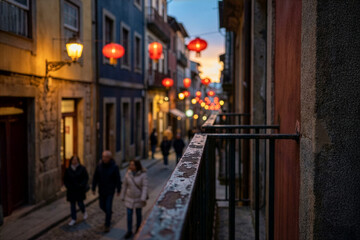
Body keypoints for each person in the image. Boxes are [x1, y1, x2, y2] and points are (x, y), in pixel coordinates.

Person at [92, 150, 122, 232]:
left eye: (106, 157)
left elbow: (118, 178)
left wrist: (119, 189)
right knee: (101, 206)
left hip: (110, 190)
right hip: (101, 190)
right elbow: (95, 177)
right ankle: (109, 213)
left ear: (110, 158)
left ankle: (107, 225)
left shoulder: (114, 166)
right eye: (103, 157)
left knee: (108, 207)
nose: (104, 158)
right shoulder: (99, 165)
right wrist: (93, 188)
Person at [121, 160, 148, 239]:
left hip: (138, 198)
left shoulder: (143, 175)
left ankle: (138, 229)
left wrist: (143, 197)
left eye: (133, 165)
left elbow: (144, 186)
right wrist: (123, 195)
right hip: (129, 197)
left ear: (137, 166)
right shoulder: (128, 174)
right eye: (130, 165)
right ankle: (129, 231)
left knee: (138, 214)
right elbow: (125, 185)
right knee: (129, 215)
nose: (131, 166)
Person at [64, 155, 89, 226]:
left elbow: (86, 178)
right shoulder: (68, 170)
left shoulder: (82, 168)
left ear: (78, 160)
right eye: (73, 160)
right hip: (71, 190)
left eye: (76, 160)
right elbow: (65, 180)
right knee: (72, 205)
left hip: (79, 190)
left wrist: (82, 185)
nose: (75, 161)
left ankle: (84, 212)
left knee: (80, 203)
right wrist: (68, 186)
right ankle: (73, 219)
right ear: (71, 161)